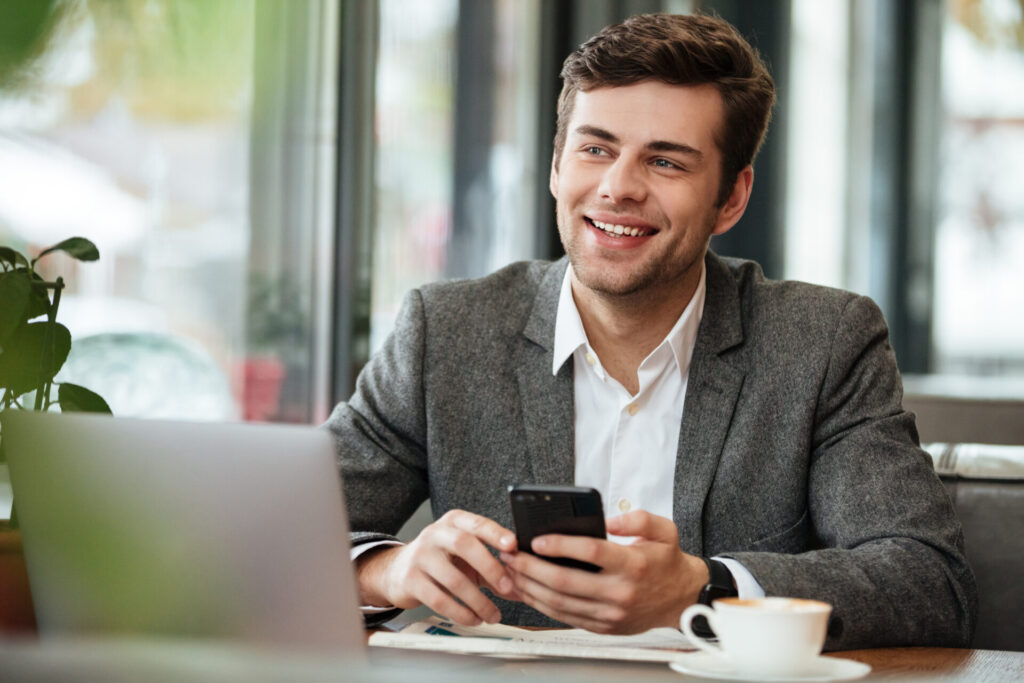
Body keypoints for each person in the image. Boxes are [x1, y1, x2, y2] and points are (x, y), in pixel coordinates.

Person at [326, 12, 977, 650]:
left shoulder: (824, 341)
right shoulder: (443, 332)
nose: (617, 187)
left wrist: (701, 586)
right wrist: (384, 569)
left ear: (732, 198)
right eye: (595, 148)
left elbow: (927, 581)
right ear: (557, 166)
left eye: (665, 163)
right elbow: (265, 533)